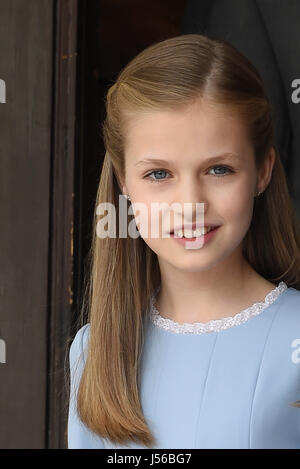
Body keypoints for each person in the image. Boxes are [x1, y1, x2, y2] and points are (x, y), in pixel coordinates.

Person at [67, 34, 300, 449]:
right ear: (124, 182)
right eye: (159, 174)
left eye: (219, 170)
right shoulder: (93, 349)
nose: (190, 205)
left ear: (262, 171)